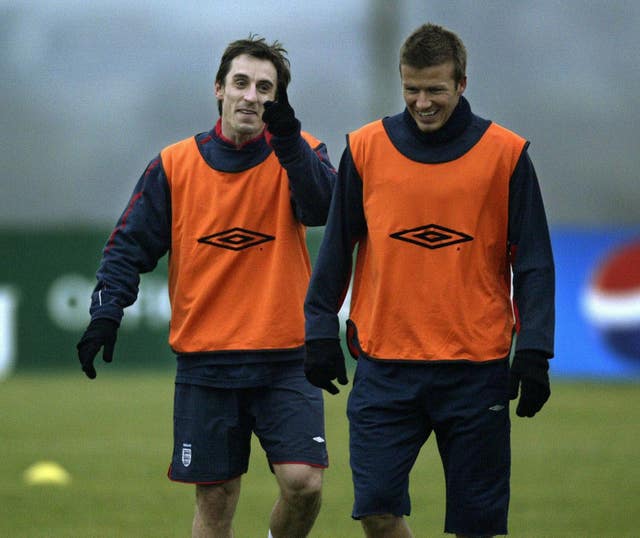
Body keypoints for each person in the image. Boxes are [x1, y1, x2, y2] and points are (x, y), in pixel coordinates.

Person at [76, 35, 336, 538]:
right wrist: (106, 312)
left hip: (286, 355)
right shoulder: (174, 165)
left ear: (277, 99)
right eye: (241, 83)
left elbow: (323, 208)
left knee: (304, 485)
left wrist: (288, 144)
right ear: (218, 89)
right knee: (216, 502)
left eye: (265, 87)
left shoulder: (302, 151)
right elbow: (128, 246)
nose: (251, 96)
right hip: (207, 361)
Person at [304, 23, 555, 538]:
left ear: (462, 84)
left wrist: (534, 351)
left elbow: (533, 262)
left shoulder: (505, 155)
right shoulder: (367, 148)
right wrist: (318, 327)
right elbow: (335, 251)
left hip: (475, 369)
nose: (422, 102)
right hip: (384, 368)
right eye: (411, 89)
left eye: (435, 90)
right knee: (375, 511)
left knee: (477, 526)